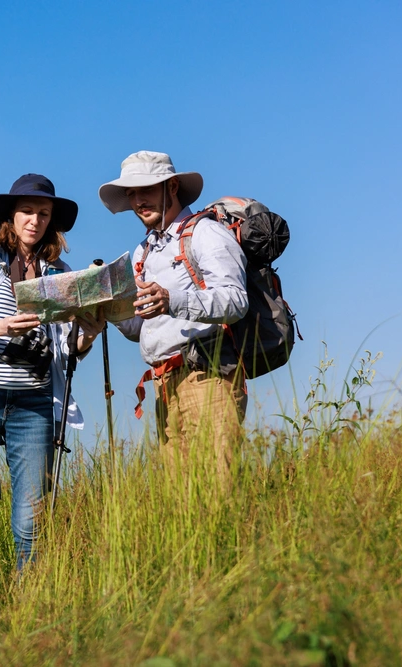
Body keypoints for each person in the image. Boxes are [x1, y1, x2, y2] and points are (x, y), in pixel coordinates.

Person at [0, 174, 103, 570]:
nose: (35, 220)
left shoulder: (60, 271)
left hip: (34, 402)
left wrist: (90, 333)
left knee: (31, 521)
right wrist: (2, 326)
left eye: (44, 213)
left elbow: (67, 350)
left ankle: (29, 612)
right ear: (11, 216)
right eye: (28, 212)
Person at [98, 151, 248, 484]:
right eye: (131, 193)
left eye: (146, 189)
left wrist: (171, 299)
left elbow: (237, 301)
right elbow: (144, 327)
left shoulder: (205, 233)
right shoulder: (143, 252)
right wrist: (110, 311)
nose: (138, 200)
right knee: (180, 500)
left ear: (173, 186)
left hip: (207, 374)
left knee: (216, 489)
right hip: (164, 384)